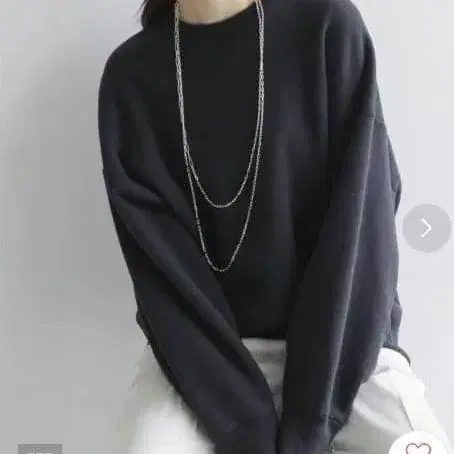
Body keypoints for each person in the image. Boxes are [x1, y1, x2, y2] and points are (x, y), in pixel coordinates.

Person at [97, 0, 452, 453]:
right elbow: (163, 281)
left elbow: (364, 235)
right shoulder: (131, 79)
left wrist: (309, 425)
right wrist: (246, 427)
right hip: (202, 366)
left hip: (348, 356)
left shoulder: (326, 26)